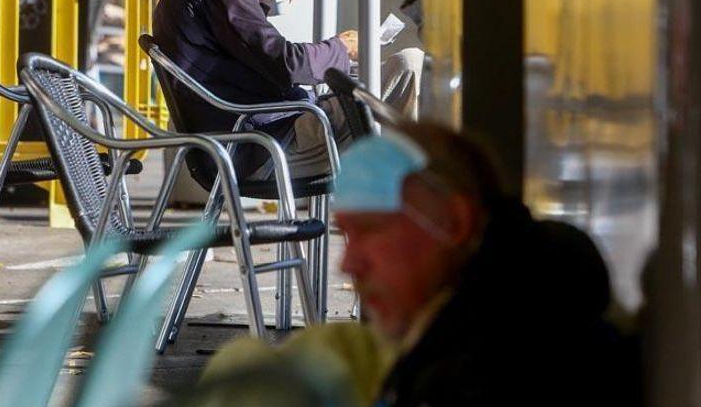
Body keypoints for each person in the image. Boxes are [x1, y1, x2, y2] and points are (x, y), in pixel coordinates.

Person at [198, 121, 635, 406]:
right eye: (346, 234)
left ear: (454, 221)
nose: (349, 263)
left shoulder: (492, 370)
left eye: (371, 230)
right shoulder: (494, 306)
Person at [152, 0, 421, 180]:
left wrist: (258, 0)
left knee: (378, 88)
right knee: (407, 63)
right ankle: (403, 192)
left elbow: (243, 53)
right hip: (270, 145)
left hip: (242, 142)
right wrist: (341, 47)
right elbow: (290, 64)